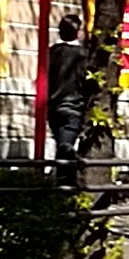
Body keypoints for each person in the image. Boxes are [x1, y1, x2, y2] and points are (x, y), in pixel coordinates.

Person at [47, 14, 88, 160]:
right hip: (73, 106)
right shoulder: (82, 55)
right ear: (78, 32)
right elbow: (85, 81)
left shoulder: (50, 53)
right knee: (66, 146)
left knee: (61, 143)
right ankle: (65, 180)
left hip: (53, 107)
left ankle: (62, 178)